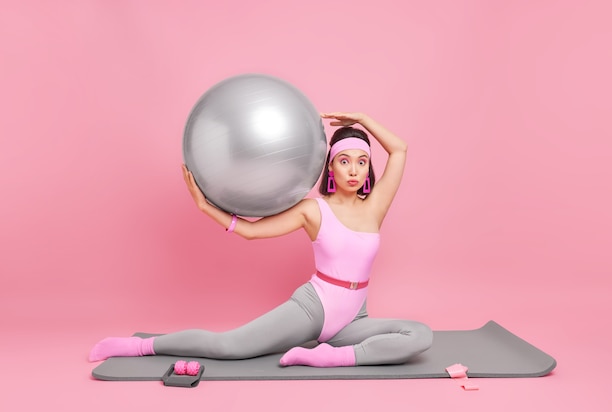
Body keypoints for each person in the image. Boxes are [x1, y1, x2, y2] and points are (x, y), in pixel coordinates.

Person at [89, 112, 433, 367]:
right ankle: (136, 347)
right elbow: (252, 231)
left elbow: (399, 150)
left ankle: (332, 357)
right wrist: (204, 206)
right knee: (229, 347)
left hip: (354, 320)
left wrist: (362, 119)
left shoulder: (374, 208)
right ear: (331, 168)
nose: (354, 170)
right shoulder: (313, 210)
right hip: (315, 308)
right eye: (344, 161)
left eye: (362, 162)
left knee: (420, 335)